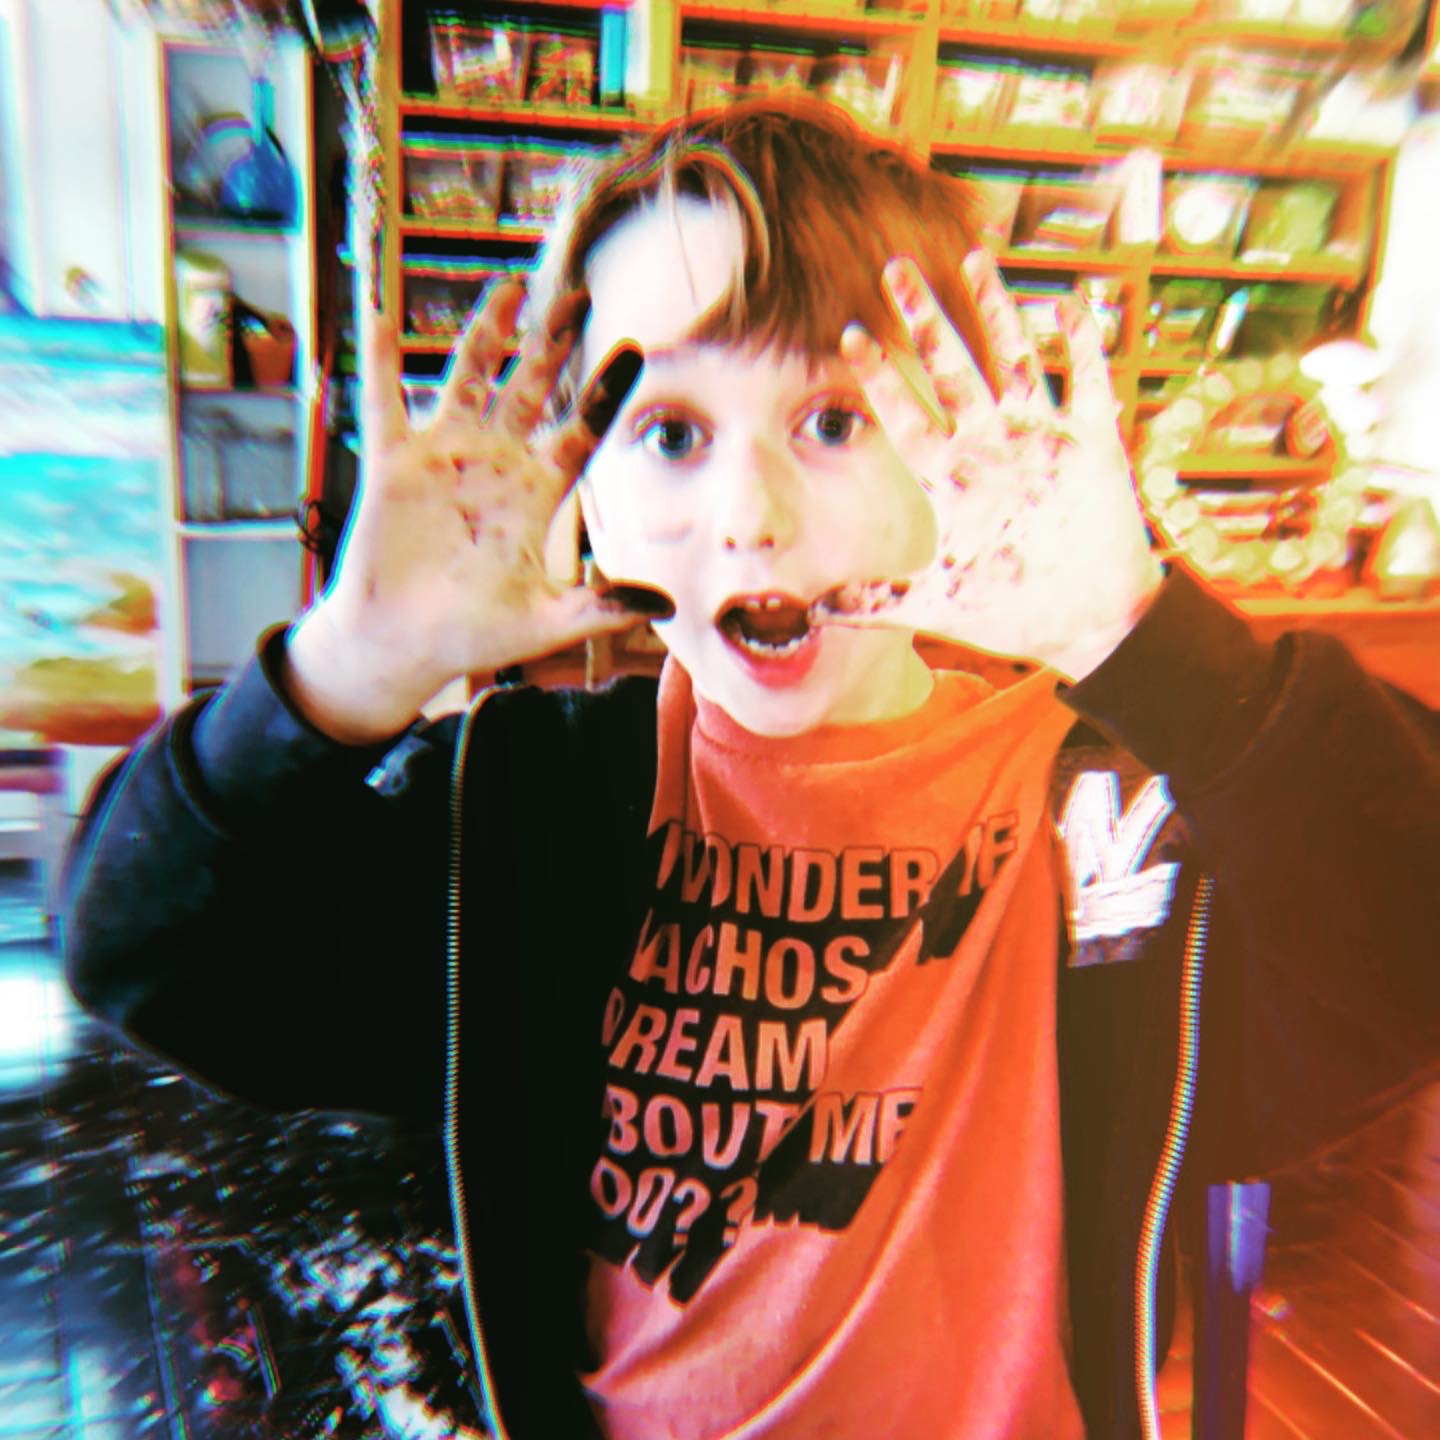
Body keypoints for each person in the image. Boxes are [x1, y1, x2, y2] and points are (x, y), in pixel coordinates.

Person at [63, 96, 1440, 1439]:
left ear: (955, 450)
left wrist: (1140, 639)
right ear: (584, 490)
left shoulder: (1115, 821)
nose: (751, 517)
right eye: (670, 434)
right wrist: (353, 665)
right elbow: (146, 950)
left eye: (834, 421)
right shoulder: (520, 810)